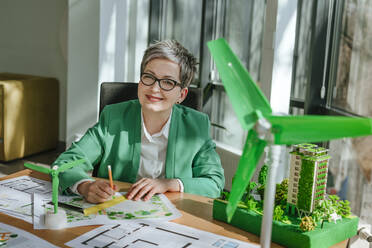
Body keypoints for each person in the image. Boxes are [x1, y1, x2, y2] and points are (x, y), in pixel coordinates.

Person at [53, 40, 225, 203]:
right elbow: (65, 163)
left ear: (181, 95)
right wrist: (85, 186)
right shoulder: (114, 117)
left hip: (173, 220)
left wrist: (169, 184)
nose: (154, 88)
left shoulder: (197, 125)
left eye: (167, 82)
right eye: (149, 77)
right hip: (116, 213)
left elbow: (215, 183)